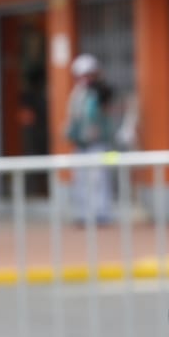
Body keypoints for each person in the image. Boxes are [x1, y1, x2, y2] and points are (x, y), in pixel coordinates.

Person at [64, 53, 115, 225]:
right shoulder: (77, 94)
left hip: (99, 143)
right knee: (80, 179)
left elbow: (106, 112)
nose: (84, 79)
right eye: (81, 75)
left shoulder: (101, 92)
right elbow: (74, 117)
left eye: (88, 75)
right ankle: (83, 213)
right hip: (80, 144)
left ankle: (101, 213)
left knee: (98, 178)